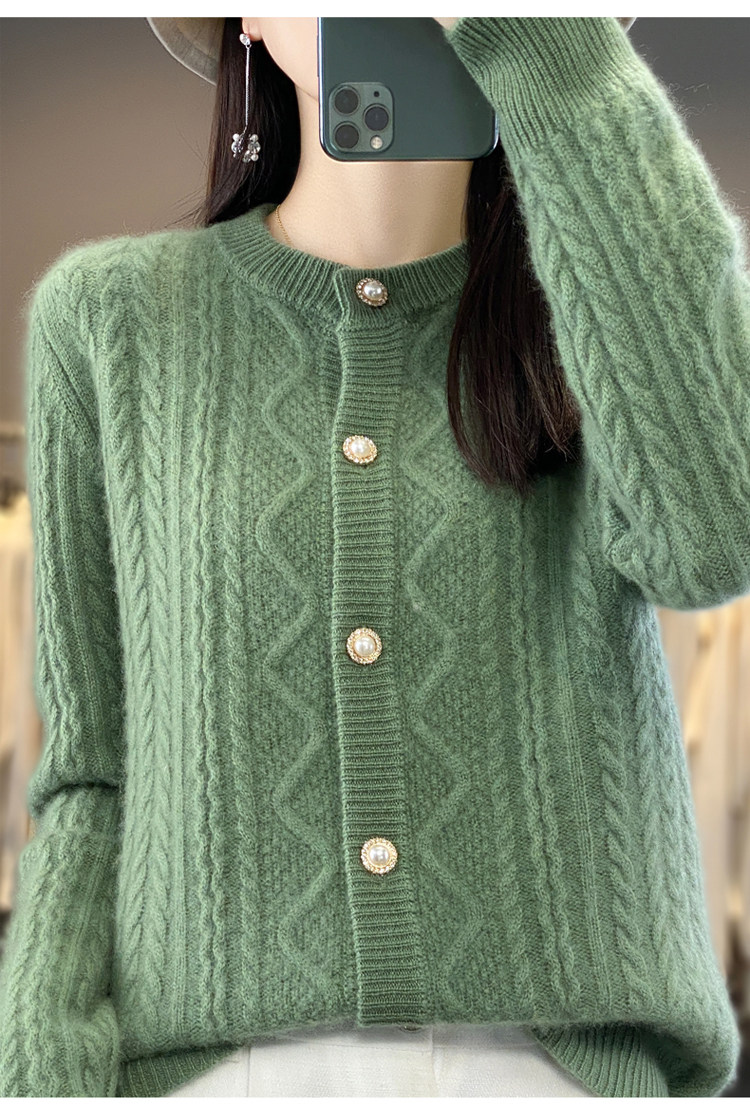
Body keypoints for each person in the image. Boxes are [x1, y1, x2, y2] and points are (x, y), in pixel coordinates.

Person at [0, 14, 747, 1099]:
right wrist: (44, 1075)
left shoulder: (597, 316)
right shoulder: (112, 321)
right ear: (246, 16)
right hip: (217, 1077)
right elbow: (88, 769)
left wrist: (555, 54)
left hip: (556, 1071)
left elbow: (717, 536)